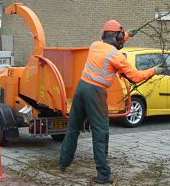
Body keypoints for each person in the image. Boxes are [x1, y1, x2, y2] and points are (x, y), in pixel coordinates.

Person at [59, 20, 164, 184]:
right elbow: (135, 77)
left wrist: (128, 35)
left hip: (81, 88)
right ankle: (103, 175)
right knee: (100, 133)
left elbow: (110, 46)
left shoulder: (95, 46)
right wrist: (154, 70)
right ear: (117, 36)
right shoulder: (116, 56)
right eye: (121, 36)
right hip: (96, 93)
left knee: (72, 129)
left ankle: (63, 164)